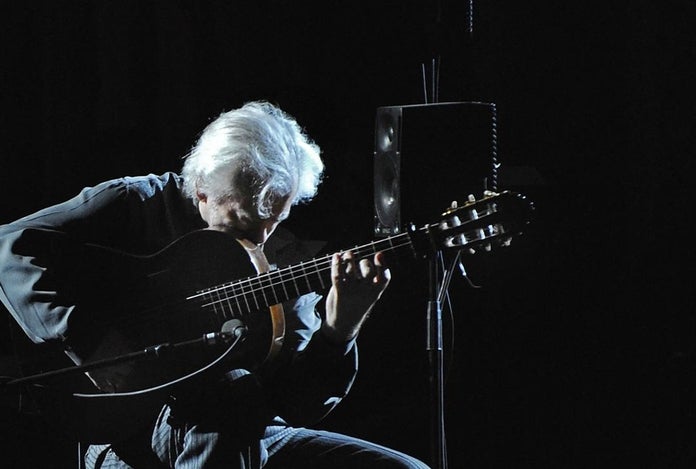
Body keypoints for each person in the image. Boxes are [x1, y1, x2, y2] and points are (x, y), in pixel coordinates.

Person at [0, 101, 430, 468]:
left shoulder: (281, 261)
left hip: (248, 434)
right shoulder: (141, 205)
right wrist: (91, 339)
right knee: (232, 393)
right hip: (130, 429)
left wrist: (339, 332)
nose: (261, 236)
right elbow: (11, 247)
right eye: (245, 219)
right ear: (201, 189)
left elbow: (295, 404)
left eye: (274, 220)